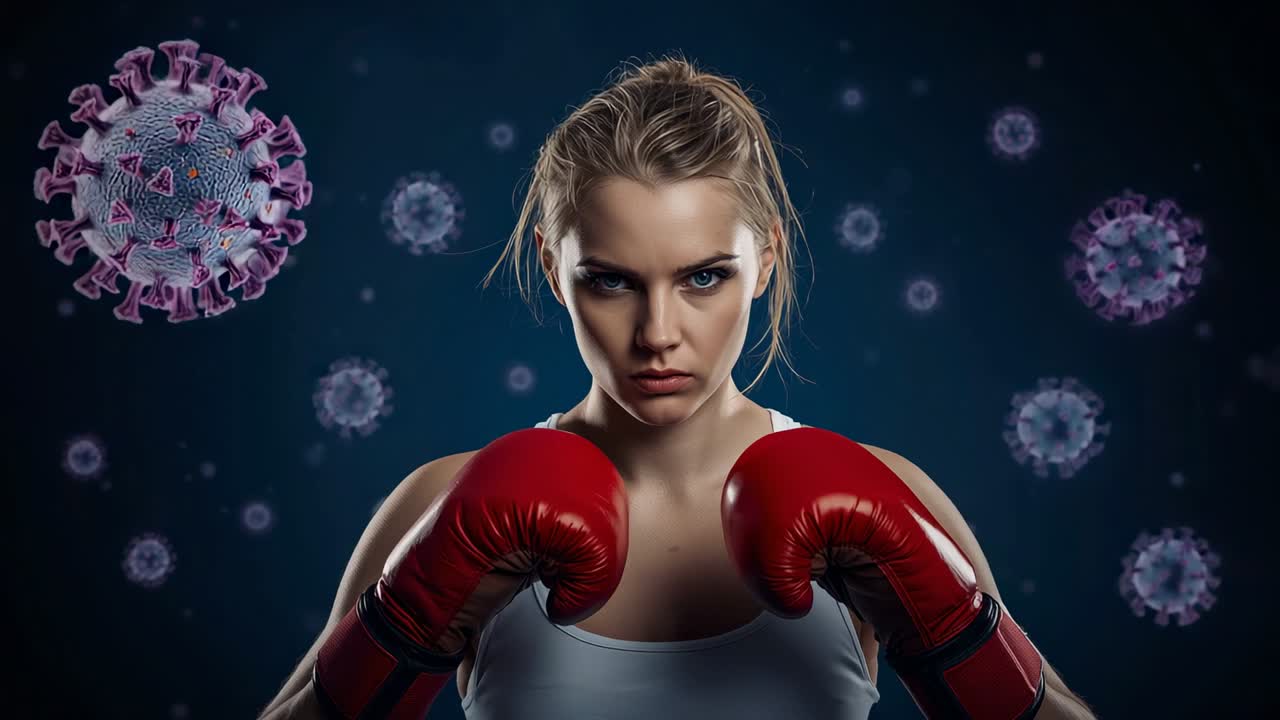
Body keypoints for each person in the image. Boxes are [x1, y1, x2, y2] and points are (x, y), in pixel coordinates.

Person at [258, 55, 1096, 720]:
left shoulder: (887, 489)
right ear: (553, 269)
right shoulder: (443, 500)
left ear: (764, 261)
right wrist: (401, 626)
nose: (658, 332)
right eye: (611, 281)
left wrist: (951, 631)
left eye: (703, 277)